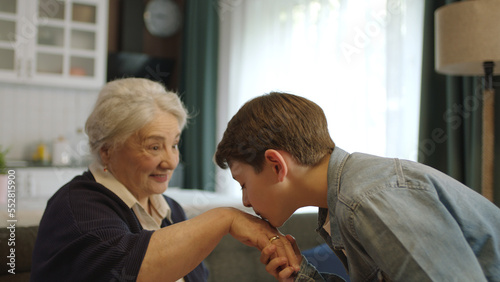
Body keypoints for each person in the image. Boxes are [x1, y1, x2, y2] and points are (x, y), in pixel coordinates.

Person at [31, 78, 300, 281]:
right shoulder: (77, 205)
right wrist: (225, 218)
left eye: (174, 144)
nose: (171, 161)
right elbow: (130, 268)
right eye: (154, 146)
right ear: (107, 150)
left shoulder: (170, 209)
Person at [214, 92, 500, 282]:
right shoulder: (340, 205)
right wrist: (302, 275)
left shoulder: (365, 199)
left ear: (276, 165)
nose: (246, 201)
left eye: (243, 184)